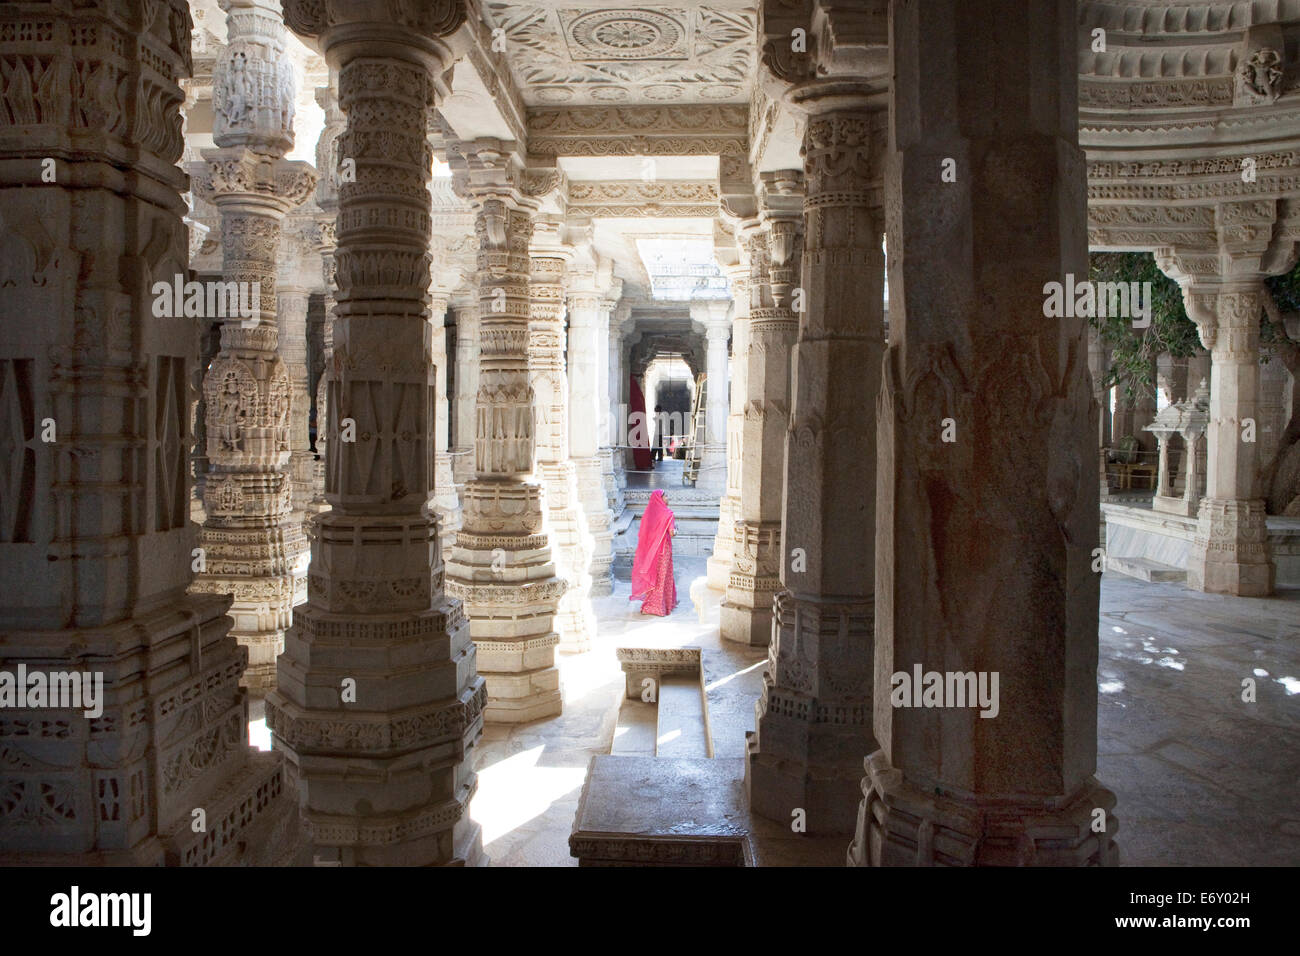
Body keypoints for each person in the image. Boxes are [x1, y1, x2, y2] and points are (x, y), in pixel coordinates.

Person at [630, 489, 677, 616]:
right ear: (660, 499)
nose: (668, 497)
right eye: (665, 496)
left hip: (650, 551)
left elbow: (643, 534)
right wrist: (677, 530)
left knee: (653, 577)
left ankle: (649, 606)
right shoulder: (668, 514)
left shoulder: (649, 514)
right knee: (663, 577)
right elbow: (672, 533)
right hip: (663, 550)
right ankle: (661, 607)